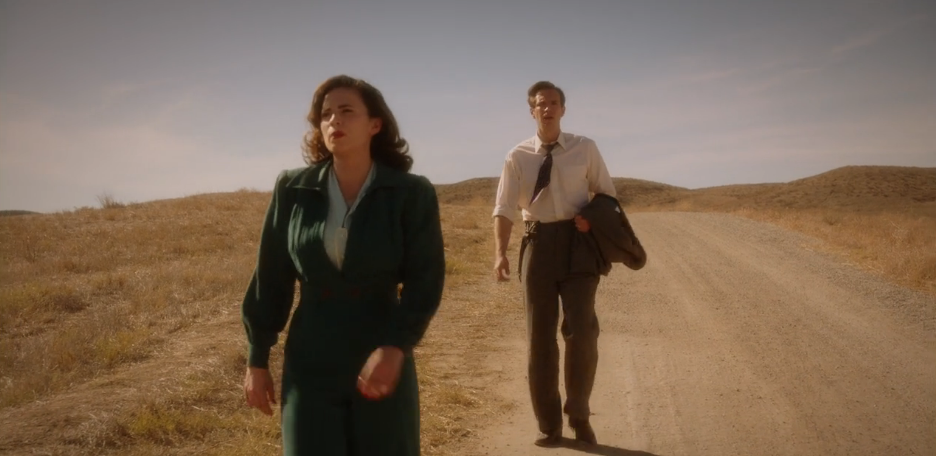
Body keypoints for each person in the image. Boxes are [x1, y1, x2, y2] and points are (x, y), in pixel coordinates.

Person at [241, 74, 446, 456]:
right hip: (310, 359)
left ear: (375, 124)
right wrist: (257, 359)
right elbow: (271, 278)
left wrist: (396, 346)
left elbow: (426, 281)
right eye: (326, 114)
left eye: (347, 111)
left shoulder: (410, 193)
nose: (334, 120)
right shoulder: (293, 190)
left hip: (381, 356)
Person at [491, 80, 616, 447]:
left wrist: (592, 218)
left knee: (583, 331)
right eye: (541, 104)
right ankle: (549, 424)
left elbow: (607, 194)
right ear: (532, 111)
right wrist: (500, 252)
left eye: (554, 103)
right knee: (540, 338)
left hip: (579, 245)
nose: (547, 109)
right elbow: (503, 207)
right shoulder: (517, 156)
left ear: (563, 109)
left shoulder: (584, 148)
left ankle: (579, 415)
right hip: (538, 243)